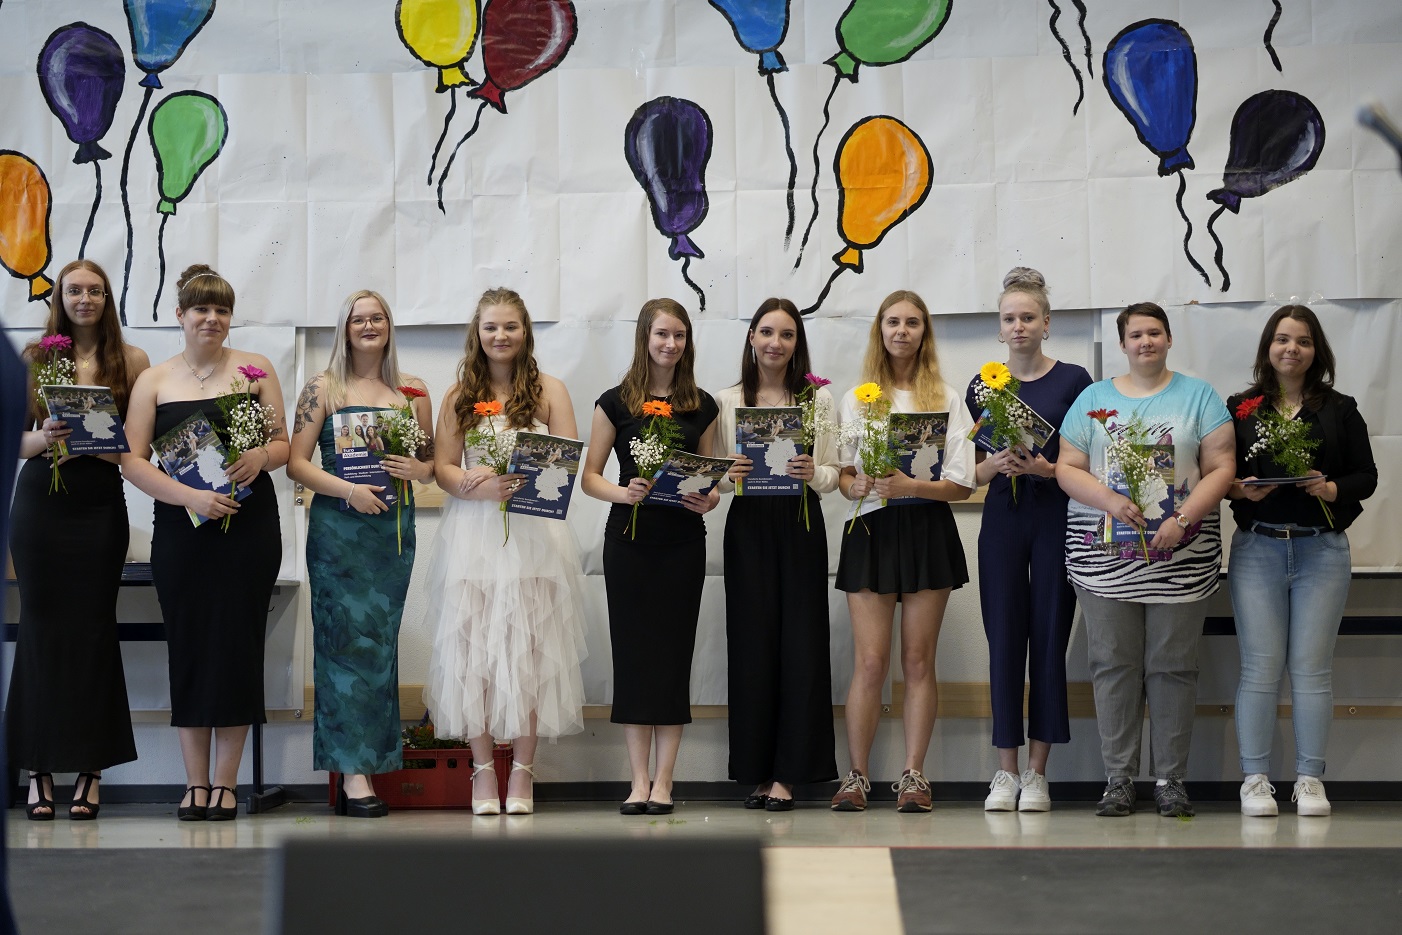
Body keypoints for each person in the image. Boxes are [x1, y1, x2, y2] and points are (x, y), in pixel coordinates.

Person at [121, 264, 288, 822]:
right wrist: (189, 498)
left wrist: (262, 456)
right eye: (201, 310)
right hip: (182, 530)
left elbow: (283, 442)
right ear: (180, 317)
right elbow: (131, 460)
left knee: (239, 647)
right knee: (189, 647)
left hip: (249, 527)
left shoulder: (254, 369)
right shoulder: (155, 379)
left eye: (221, 310)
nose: (211, 319)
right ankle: (193, 784)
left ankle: (225, 784)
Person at [1055, 302, 1234, 819]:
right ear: (1124, 343)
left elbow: (1221, 467)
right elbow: (1068, 468)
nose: (1146, 342)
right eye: (1136, 334)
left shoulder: (1198, 396)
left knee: (1174, 668)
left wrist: (1185, 517)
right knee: (1113, 666)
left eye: (1155, 333)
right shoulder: (1094, 398)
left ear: (1169, 338)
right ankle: (1119, 780)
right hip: (1104, 559)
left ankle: (1171, 780)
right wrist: (1110, 501)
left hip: (1182, 557)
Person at [420, 288, 586, 816]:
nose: (501, 336)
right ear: (477, 332)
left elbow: (569, 461)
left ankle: (523, 773)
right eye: (491, 327)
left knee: (531, 657)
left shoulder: (551, 390)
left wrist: (530, 478)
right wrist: (471, 482)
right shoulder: (456, 396)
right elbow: (443, 468)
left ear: (525, 332)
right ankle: (483, 771)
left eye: (510, 326)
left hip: (536, 539)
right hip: (474, 537)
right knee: (475, 659)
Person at [8, 260, 149, 820]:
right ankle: (38, 772)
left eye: (95, 290)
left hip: (98, 506)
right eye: (75, 290)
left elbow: (140, 447)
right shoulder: (34, 357)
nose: (85, 298)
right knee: (38, 632)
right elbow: (12, 443)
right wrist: (42, 437)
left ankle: (90, 772)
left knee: (94, 631)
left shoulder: (132, 361)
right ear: (59, 298)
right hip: (41, 502)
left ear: (107, 297)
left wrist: (112, 441)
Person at [287, 290, 435, 818]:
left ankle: (372, 764)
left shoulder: (413, 392)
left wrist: (419, 471)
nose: (369, 325)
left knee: (379, 646)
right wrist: (347, 491)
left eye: (378, 318)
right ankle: (353, 776)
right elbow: (296, 465)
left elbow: (430, 463)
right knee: (341, 646)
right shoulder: (322, 388)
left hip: (391, 534)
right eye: (358, 319)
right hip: (338, 533)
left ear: (390, 326)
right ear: (344, 329)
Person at [1226, 306, 1376, 818]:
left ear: (1317, 351)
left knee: (1312, 670)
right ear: (1268, 347)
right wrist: (1242, 492)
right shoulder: (1241, 407)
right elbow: (1219, 475)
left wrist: (1330, 487)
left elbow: (1367, 477)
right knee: (1260, 669)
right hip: (1258, 549)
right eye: (1283, 339)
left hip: (1322, 551)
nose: (1292, 349)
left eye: (1304, 341)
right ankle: (1256, 779)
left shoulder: (1339, 408)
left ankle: (1310, 778)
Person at [830, 290, 976, 813]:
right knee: (870, 663)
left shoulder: (946, 398)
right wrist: (858, 486)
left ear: (924, 332)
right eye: (893, 322)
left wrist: (909, 485)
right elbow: (844, 476)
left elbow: (961, 485)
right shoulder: (858, 397)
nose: (902, 331)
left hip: (926, 530)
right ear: (880, 330)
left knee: (918, 661)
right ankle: (857, 776)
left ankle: (914, 776)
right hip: (870, 530)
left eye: (912, 322)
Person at [581, 298, 719, 815]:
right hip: (628, 543)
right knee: (635, 659)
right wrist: (624, 493)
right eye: (662, 334)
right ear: (644, 338)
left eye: (680, 335)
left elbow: (714, 478)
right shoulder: (615, 401)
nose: (671, 344)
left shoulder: (703, 404)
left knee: (673, 658)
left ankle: (665, 781)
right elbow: (590, 476)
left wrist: (710, 498)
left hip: (682, 544)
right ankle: (637, 781)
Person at [965, 268, 1092, 812]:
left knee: (1048, 638)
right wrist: (990, 466)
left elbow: (1085, 459)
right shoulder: (982, 385)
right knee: (1004, 641)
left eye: (1027, 318)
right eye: (1009, 319)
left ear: (1046, 324)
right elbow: (964, 470)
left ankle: (1039, 771)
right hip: (1002, 522)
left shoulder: (1075, 381)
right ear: (999, 329)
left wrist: (1045, 469)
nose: (1018, 327)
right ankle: (1006, 770)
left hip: (1055, 518)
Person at [712, 298, 839, 811]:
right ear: (750, 338)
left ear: (797, 343)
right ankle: (758, 771)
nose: (775, 343)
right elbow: (714, 479)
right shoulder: (726, 401)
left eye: (786, 335)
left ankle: (791, 773)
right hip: (747, 530)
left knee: (802, 648)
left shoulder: (818, 401)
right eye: (766, 332)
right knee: (752, 647)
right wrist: (728, 475)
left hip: (801, 526)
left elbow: (833, 473)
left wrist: (817, 474)